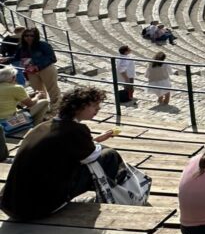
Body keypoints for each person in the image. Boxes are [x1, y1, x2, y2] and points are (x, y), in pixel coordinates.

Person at [1, 86, 124, 220]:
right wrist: (96, 143)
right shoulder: (75, 129)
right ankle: (110, 195)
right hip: (36, 208)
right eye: (94, 105)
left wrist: (94, 141)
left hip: (10, 204)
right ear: (79, 107)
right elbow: (91, 157)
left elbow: (66, 147)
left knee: (97, 152)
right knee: (109, 155)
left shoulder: (42, 126)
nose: (98, 109)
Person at [10, 27, 60, 106]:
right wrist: (6, 59)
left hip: (46, 69)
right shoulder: (22, 47)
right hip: (31, 71)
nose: (29, 37)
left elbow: (52, 58)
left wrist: (38, 66)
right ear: (23, 36)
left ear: (36, 36)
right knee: (38, 91)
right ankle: (44, 108)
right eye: (26, 35)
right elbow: (16, 58)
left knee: (52, 89)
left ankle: (55, 108)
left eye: (31, 35)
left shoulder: (43, 45)